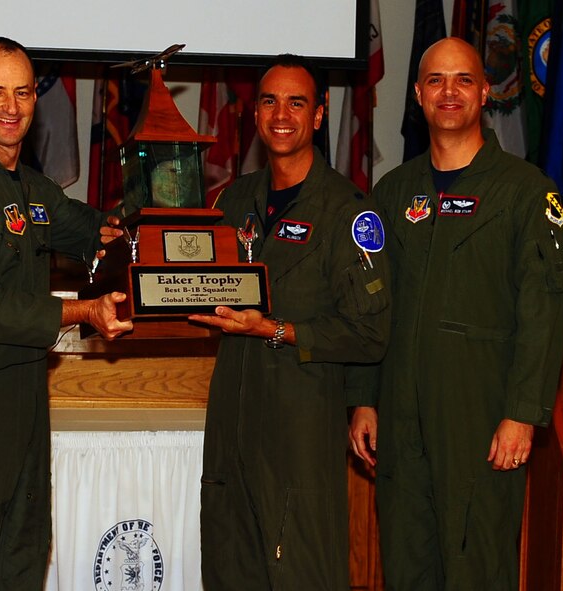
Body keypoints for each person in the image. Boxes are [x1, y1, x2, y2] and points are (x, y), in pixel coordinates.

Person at [349, 37, 563, 590]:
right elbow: (369, 305)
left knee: (478, 568)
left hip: (481, 420)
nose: (450, 92)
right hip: (399, 417)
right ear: (419, 96)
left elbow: (543, 309)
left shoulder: (525, 192)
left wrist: (523, 413)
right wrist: (363, 399)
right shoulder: (392, 192)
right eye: (436, 81)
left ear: (485, 91)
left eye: (464, 79)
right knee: (406, 565)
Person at [0, 37, 133, 590]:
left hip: (27, 407)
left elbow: (95, 230)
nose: (10, 107)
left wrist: (150, 227)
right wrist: (84, 310)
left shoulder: (33, 189)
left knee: (21, 558)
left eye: (22, 92)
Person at [188, 55, 390, 590]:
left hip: (300, 426)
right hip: (232, 418)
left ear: (319, 115)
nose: (282, 114)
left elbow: (369, 333)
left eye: (296, 102)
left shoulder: (348, 212)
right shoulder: (234, 200)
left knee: (299, 571)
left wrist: (275, 329)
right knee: (230, 566)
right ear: (255, 114)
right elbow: (205, 282)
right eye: (270, 101)